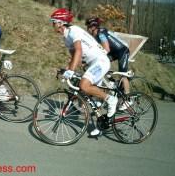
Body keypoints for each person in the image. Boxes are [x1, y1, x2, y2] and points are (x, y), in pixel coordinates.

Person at [50, 8, 118, 136]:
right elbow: (76, 58)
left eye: (54, 22)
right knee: (84, 94)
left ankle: (111, 100)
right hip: (93, 64)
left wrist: (71, 70)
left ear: (60, 23)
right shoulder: (66, 38)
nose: (52, 25)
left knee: (84, 85)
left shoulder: (73, 31)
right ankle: (102, 123)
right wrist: (68, 69)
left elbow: (79, 51)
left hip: (101, 61)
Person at [85, 17, 131, 110]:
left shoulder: (100, 33)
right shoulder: (95, 35)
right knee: (101, 67)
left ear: (94, 27)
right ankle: (112, 83)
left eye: (89, 26)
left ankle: (128, 100)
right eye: (87, 26)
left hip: (122, 51)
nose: (88, 28)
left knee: (123, 75)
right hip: (114, 52)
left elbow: (106, 49)